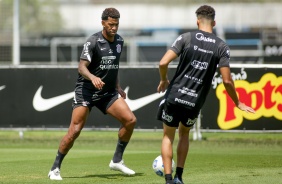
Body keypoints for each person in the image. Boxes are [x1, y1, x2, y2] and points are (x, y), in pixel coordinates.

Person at [156, 5, 255, 184]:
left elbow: (163, 63)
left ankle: (169, 180)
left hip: (175, 95)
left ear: (197, 21)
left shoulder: (185, 38)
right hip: (194, 101)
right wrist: (237, 102)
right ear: (214, 22)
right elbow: (227, 81)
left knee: (168, 136)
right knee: (184, 134)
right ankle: (179, 176)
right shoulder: (221, 46)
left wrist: (164, 79)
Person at [48, 7, 136, 180]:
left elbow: (113, 67)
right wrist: (92, 77)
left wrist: (117, 87)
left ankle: (117, 160)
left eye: (116, 24)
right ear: (103, 22)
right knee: (75, 131)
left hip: (108, 93)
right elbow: (81, 67)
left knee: (130, 120)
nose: (114, 28)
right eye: (111, 24)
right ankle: (55, 168)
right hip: (86, 91)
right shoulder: (93, 41)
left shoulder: (119, 41)